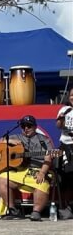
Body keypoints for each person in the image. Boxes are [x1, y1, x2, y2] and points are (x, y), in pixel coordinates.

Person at [0, 115, 55, 221]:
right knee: (2, 178)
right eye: (23, 126)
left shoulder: (43, 140)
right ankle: (13, 210)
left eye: (29, 126)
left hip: (37, 168)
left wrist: (42, 172)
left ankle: (36, 212)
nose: (26, 128)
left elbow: (48, 157)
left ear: (35, 127)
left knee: (41, 182)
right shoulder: (17, 137)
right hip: (20, 170)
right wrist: (12, 142)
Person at [55, 89, 73, 219]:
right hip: (66, 146)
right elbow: (58, 126)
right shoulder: (64, 109)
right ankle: (68, 206)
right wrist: (61, 120)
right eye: (72, 95)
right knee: (66, 177)